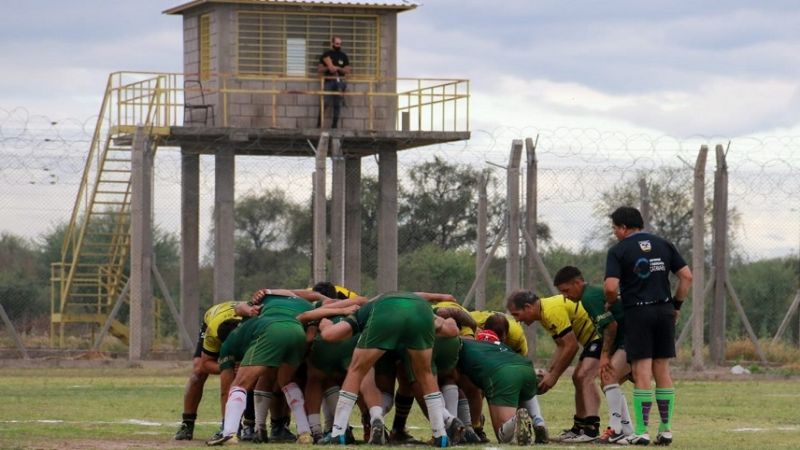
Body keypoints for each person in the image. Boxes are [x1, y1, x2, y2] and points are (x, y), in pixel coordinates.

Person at [318, 291, 460, 447]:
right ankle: (440, 434)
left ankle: (338, 433)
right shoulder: (419, 305)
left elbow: (331, 336)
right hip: (422, 313)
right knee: (425, 374)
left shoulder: (366, 309)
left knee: (356, 369)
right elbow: (452, 331)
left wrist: (326, 325)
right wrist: (446, 315)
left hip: (385, 314)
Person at [604, 206, 692, 446]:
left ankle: (641, 431)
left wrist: (611, 303)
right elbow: (686, 277)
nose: (614, 233)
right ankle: (665, 430)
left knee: (642, 371)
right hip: (664, 311)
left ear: (623, 227)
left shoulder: (618, 251)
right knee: (662, 370)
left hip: (638, 312)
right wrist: (676, 305)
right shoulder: (664, 244)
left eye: (614, 228)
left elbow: (611, 287)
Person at [505, 291, 603, 442]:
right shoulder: (544, 313)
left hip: (600, 336)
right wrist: (549, 372)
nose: (517, 320)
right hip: (592, 339)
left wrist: (554, 377)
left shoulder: (551, 311)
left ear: (528, 307)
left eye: (517, 314)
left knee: (583, 376)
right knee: (579, 377)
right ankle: (579, 427)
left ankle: (591, 430)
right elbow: (561, 345)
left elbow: (571, 346)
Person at [554, 265, 634, 444]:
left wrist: (605, 354)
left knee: (608, 376)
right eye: (562, 293)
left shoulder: (589, 297)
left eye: (566, 290)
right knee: (611, 380)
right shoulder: (588, 296)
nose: (566, 296)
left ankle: (616, 429)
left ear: (578, 282)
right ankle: (626, 428)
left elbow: (610, 326)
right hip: (629, 337)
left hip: (632, 336)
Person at [173, 300, 261, 441]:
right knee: (197, 373)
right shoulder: (213, 331)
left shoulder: (253, 328)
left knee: (250, 375)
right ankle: (187, 424)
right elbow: (205, 364)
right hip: (215, 316)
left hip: (243, 327)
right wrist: (227, 366)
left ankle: (249, 425)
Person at [456, 314, 539, 445]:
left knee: (503, 435)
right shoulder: (504, 345)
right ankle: (539, 421)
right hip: (527, 368)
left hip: (502, 374)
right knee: (517, 393)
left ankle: (515, 421)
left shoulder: (466, 344)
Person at [317, 36, 350, 129]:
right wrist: (329, 68)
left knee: (337, 104)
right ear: (332, 43)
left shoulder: (343, 56)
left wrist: (338, 68)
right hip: (329, 81)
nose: (338, 45)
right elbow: (319, 69)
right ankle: (319, 124)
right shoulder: (326, 55)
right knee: (325, 103)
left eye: (340, 44)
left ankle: (334, 126)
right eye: (336, 43)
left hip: (340, 82)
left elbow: (347, 70)